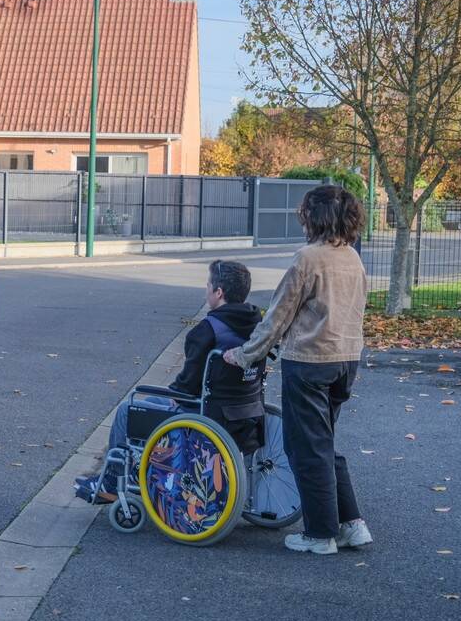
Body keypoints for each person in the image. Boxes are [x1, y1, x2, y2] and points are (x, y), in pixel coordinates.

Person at [224, 184, 370, 555]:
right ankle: (352, 524)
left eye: (303, 213)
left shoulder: (307, 258)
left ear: (313, 217)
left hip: (309, 362)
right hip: (346, 359)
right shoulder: (352, 257)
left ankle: (320, 535)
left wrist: (245, 354)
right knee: (323, 442)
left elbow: (278, 315)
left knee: (305, 448)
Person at [74, 260, 265, 503]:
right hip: (245, 414)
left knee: (128, 409)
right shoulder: (259, 325)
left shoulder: (207, 330)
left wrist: (176, 393)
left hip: (204, 415)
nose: (206, 289)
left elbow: (187, 386)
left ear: (219, 292)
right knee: (153, 402)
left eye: (208, 285)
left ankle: (112, 483)